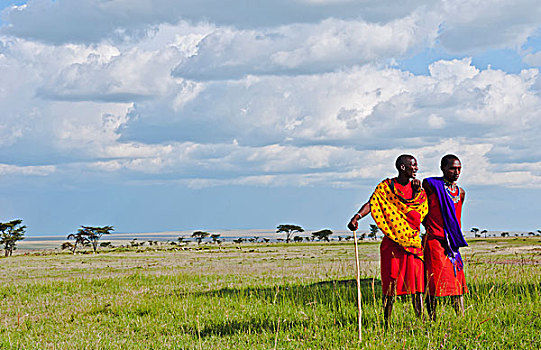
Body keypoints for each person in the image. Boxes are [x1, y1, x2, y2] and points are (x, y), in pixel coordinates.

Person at [348, 155, 429, 326]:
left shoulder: (419, 190)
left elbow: (418, 212)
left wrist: (415, 193)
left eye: (416, 165)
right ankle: (387, 323)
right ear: (402, 167)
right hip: (392, 244)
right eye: (413, 165)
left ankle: (420, 322)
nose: (416, 168)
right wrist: (357, 217)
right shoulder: (387, 187)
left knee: (417, 284)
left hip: (413, 244)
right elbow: (372, 203)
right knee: (390, 284)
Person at [422, 154, 468, 320]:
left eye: (459, 168)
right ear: (442, 168)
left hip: (452, 245)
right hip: (434, 241)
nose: (456, 172)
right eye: (452, 168)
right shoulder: (431, 185)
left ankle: (461, 317)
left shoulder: (460, 193)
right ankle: (433, 319)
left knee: (457, 281)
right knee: (433, 281)